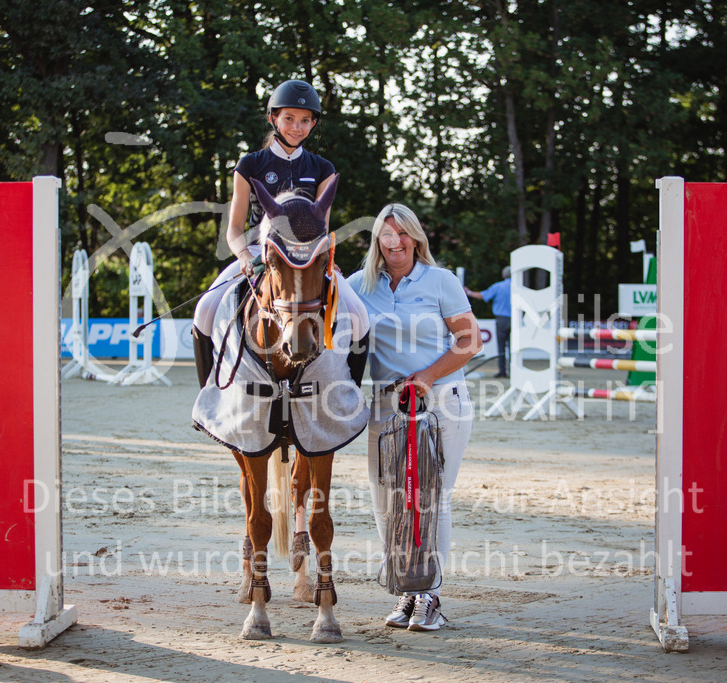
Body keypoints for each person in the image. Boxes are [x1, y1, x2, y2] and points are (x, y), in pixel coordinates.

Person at [347, 203, 482, 631]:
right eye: (386, 234)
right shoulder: (357, 286)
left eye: (402, 233)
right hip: (386, 404)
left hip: (441, 399)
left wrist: (425, 377)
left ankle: (429, 595)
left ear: (416, 238)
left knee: (430, 500)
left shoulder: (440, 281)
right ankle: (407, 592)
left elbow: (470, 339)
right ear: (376, 241)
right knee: (387, 503)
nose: (395, 242)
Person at [192, 79, 368, 384]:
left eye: (304, 121)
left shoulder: (322, 168)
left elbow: (321, 229)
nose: (296, 128)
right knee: (205, 309)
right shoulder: (250, 164)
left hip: (308, 260)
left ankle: (348, 389)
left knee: (359, 316)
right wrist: (245, 257)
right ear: (274, 118)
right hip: (262, 255)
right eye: (289, 119)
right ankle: (208, 392)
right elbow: (234, 229)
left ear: (313, 124)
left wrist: (326, 260)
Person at [464, 266, 512, 377]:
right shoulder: (518, 287)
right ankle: (513, 371)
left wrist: (469, 292)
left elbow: (483, 296)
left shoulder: (498, 287)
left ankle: (503, 371)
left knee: (501, 346)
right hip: (514, 320)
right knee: (513, 347)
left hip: (501, 319)